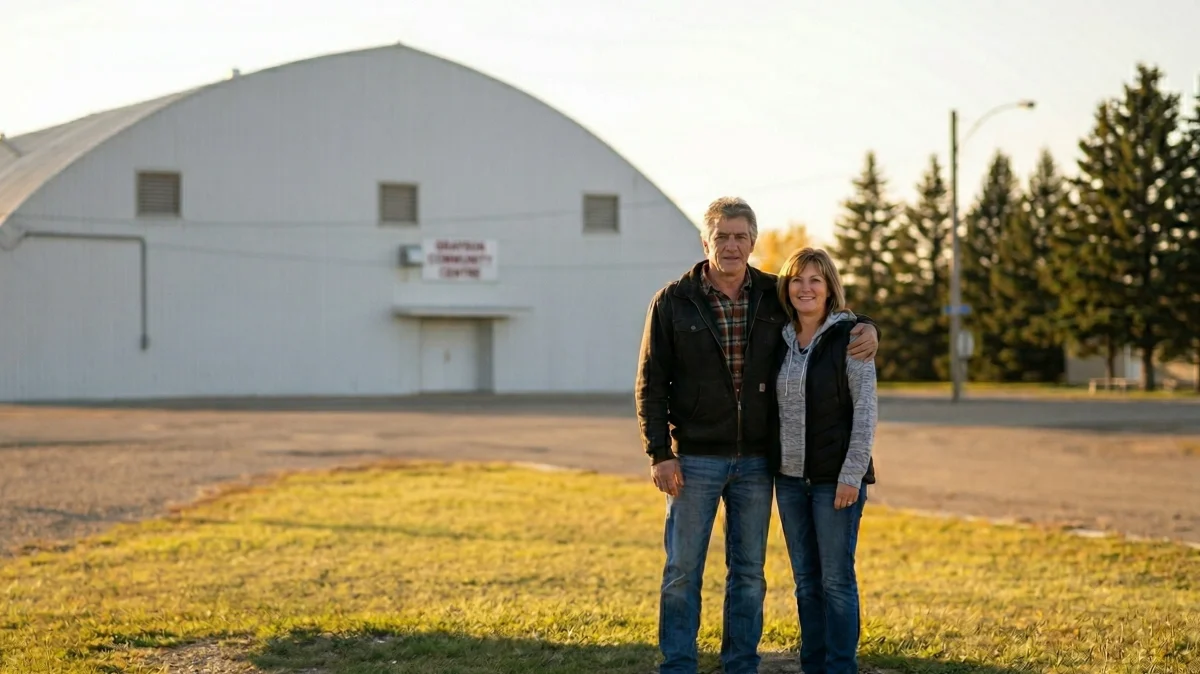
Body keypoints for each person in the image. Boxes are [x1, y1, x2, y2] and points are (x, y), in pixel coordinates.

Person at [634, 197, 879, 674]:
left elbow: (825, 309)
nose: (730, 245)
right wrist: (660, 452)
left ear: (753, 242)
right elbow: (650, 381)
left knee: (748, 574)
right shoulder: (672, 301)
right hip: (695, 460)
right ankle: (679, 664)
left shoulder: (773, 295)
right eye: (721, 236)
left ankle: (740, 664)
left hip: (757, 463)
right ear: (705, 241)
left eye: (740, 236)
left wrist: (869, 325)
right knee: (682, 570)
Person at [772, 247, 878, 674]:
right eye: (797, 279)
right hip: (790, 481)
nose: (805, 288)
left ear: (830, 287)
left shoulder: (851, 337)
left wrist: (851, 475)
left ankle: (841, 666)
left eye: (815, 279)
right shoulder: (777, 338)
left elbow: (866, 411)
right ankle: (812, 665)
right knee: (806, 583)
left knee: (836, 581)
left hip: (837, 482)